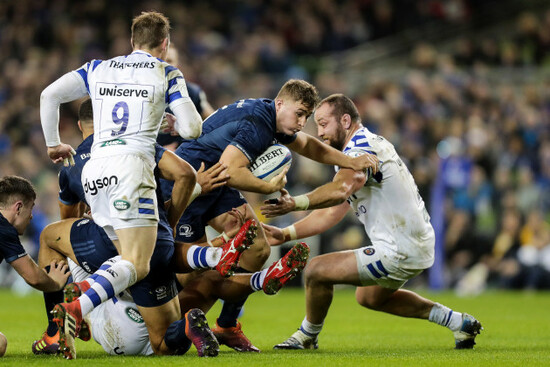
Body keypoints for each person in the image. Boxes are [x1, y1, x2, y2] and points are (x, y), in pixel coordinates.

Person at [164, 79, 378, 352]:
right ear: (280, 104)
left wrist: (348, 160)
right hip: (189, 188)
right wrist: (269, 187)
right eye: (299, 114)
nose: (302, 122)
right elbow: (231, 169)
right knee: (191, 279)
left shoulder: (274, 120)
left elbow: (309, 146)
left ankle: (227, 325)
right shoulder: (258, 122)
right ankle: (169, 329)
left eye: (307, 117)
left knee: (257, 249)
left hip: (217, 185)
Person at [39, 11, 204, 358]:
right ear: (165, 44)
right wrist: (170, 120)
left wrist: (53, 142)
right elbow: (192, 129)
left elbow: (49, 95)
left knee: (123, 255)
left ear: (132, 41)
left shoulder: (98, 68)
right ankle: (79, 307)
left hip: (96, 169)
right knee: (138, 262)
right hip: (132, 167)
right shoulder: (167, 72)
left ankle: (83, 300)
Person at [261, 94, 483, 350]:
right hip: (415, 244)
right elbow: (333, 211)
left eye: (323, 123)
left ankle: (307, 336)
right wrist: (286, 233)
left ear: (345, 120)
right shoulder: (359, 148)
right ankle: (457, 322)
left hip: (398, 248)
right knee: (369, 296)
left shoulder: (360, 148)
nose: (319, 132)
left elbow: (341, 190)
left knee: (316, 271)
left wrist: (296, 203)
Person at [34, 98, 226, 359]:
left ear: (80, 125)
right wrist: (169, 221)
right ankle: (194, 309)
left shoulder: (73, 164)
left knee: (50, 236)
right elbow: (185, 174)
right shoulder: (139, 144)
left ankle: (58, 327)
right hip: (152, 246)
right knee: (162, 344)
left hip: (100, 246)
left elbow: (68, 219)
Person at [0, 175, 70, 357]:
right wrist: (55, 283)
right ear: (19, 207)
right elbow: (33, 277)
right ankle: (54, 336)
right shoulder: (3, 228)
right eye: (31, 208)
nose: (31, 216)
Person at [158, 43, 215, 151]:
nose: (165, 65)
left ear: (177, 65)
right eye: (160, 60)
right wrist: (160, 152)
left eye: (169, 61)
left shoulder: (192, 92)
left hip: (183, 157)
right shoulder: (137, 93)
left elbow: (214, 124)